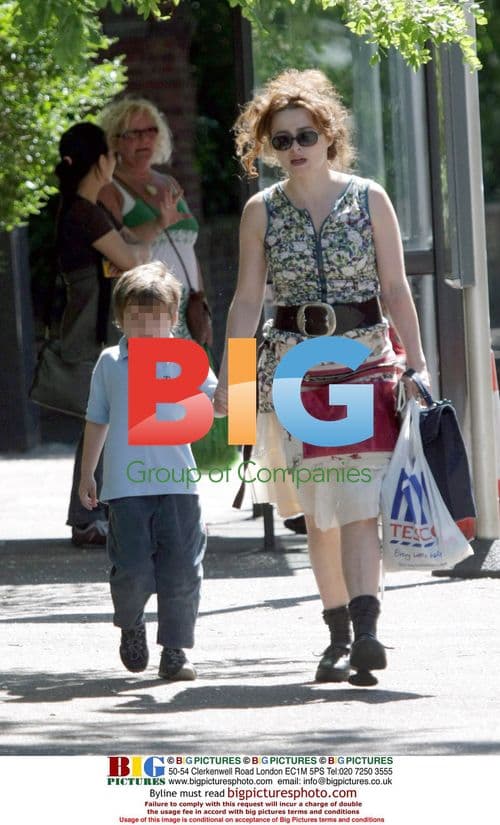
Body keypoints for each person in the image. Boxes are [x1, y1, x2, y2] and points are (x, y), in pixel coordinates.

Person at [213, 69, 430, 686]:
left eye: (306, 135)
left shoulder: (370, 198)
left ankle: (367, 632)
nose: (295, 148)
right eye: (281, 140)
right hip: (293, 371)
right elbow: (246, 301)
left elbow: (396, 289)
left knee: (359, 504)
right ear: (267, 148)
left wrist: (417, 363)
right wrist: (233, 382)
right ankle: (338, 633)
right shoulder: (260, 211)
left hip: (364, 362)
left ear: (329, 135)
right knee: (320, 512)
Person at [78, 261, 216, 680]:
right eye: (136, 317)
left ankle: (175, 651)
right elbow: (97, 420)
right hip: (126, 489)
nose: (146, 326)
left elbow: (218, 403)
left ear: (173, 319)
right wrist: (88, 474)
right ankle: (131, 622)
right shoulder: (109, 362)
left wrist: (239, 393)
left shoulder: (188, 358)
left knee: (182, 570)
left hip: (179, 486)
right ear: (120, 319)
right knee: (132, 569)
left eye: (156, 317)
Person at [55, 122, 159, 548]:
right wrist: (136, 253)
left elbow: (129, 253)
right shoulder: (85, 212)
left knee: (104, 418)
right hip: (91, 333)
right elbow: (131, 258)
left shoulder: (82, 209)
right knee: (101, 418)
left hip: (88, 328)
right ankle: (87, 515)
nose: (115, 161)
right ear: (101, 161)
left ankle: (97, 512)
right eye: (112, 155)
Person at [98, 96, 212, 346]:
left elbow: (187, 249)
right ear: (114, 140)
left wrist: (201, 301)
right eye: (133, 133)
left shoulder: (169, 183)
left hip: (186, 309)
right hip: (148, 311)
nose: (144, 140)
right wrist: (159, 224)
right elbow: (116, 250)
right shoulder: (110, 188)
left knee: (202, 372)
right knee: (155, 370)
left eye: (151, 131)